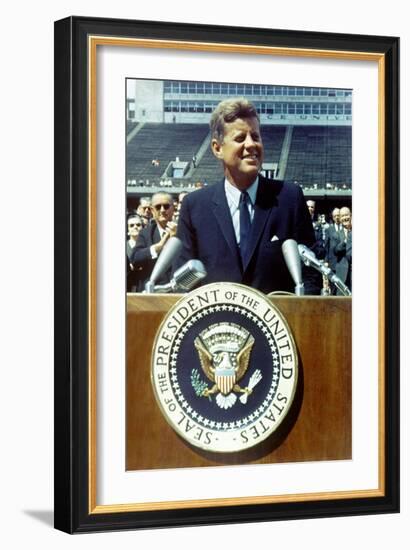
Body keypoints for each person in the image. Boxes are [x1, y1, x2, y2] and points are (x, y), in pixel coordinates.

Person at [175, 98, 319, 295]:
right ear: (217, 148)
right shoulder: (195, 207)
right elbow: (183, 284)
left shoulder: (289, 198)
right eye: (240, 138)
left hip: (278, 324)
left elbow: (311, 274)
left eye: (256, 136)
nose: (251, 144)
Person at [130, 192, 177, 289]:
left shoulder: (184, 232)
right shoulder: (146, 233)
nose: (162, 210)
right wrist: (157, 247)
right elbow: (135, 259)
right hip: (153, 290)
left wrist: (177, 239)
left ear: (173, 208)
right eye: (158, 207)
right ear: (152, 210)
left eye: (166, 206)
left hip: (177, 290)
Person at [332, 206, 352, 293]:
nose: (345, 218)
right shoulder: (336, 235)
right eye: (342, 216)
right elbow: (336, 251)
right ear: (339, 219)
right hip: (342, 274)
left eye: (347, 215)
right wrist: (345, 240)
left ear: (351, 215)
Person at [126, 214, 144, 292]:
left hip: (142, 287)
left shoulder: (147, 246)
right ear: (127, 230)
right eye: (131, 225)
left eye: (138, 225)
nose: (135, 227)